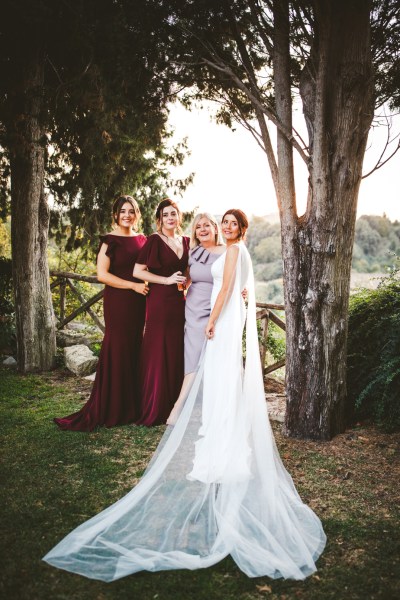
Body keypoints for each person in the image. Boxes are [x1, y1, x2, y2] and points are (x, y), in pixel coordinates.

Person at [44, 208, 326, 581]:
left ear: (239, 228)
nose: (219, 227)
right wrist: (191, 289)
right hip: (195, 311)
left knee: (216, 370)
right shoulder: (205, 248)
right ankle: (190, 413)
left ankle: (194, 415)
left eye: (227, 223)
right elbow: (200, 276)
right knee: (197, 367)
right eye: (215, 223)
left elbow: (227, 284)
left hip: (216, 317)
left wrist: (223, 308)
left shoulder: (231, 250)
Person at [54, 196, 149, 431]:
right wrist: (133, 286)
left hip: (140, 302)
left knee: (135, 346)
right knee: (118, 347)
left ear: (137, 214)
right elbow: (102, 275)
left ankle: (132, 406)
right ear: (115, 215)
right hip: (119, 301)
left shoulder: (142, 239)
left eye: (131, 211)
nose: (127, 215)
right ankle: (113, 406)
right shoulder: (109, 240)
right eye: (122, 211)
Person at [132, 198, 190, 426]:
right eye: (166, 215)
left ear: (179, 217)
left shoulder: (186, 241)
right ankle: (154, 405)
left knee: (175, 349)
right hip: (158, 301)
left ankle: (174, 405)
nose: (170, 218)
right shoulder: (154, 240)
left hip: (179, 302)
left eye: (173, 214)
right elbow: (138, 271)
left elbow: (190, 269)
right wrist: (165, 280)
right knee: (158, 349)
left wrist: (187, 281)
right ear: (159, 219)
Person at [167, 212, 225, 425]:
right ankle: (180, 406)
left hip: (216, 309)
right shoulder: (194, 252)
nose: (202, 229)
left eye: (207, 225)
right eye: (198, 227)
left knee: (212, 357)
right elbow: (188, 278)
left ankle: (199, 407)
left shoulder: (226, 252)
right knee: (192, 356)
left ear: (215, 228)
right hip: (193, 309)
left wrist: (243, 291)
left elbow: (234, 279)